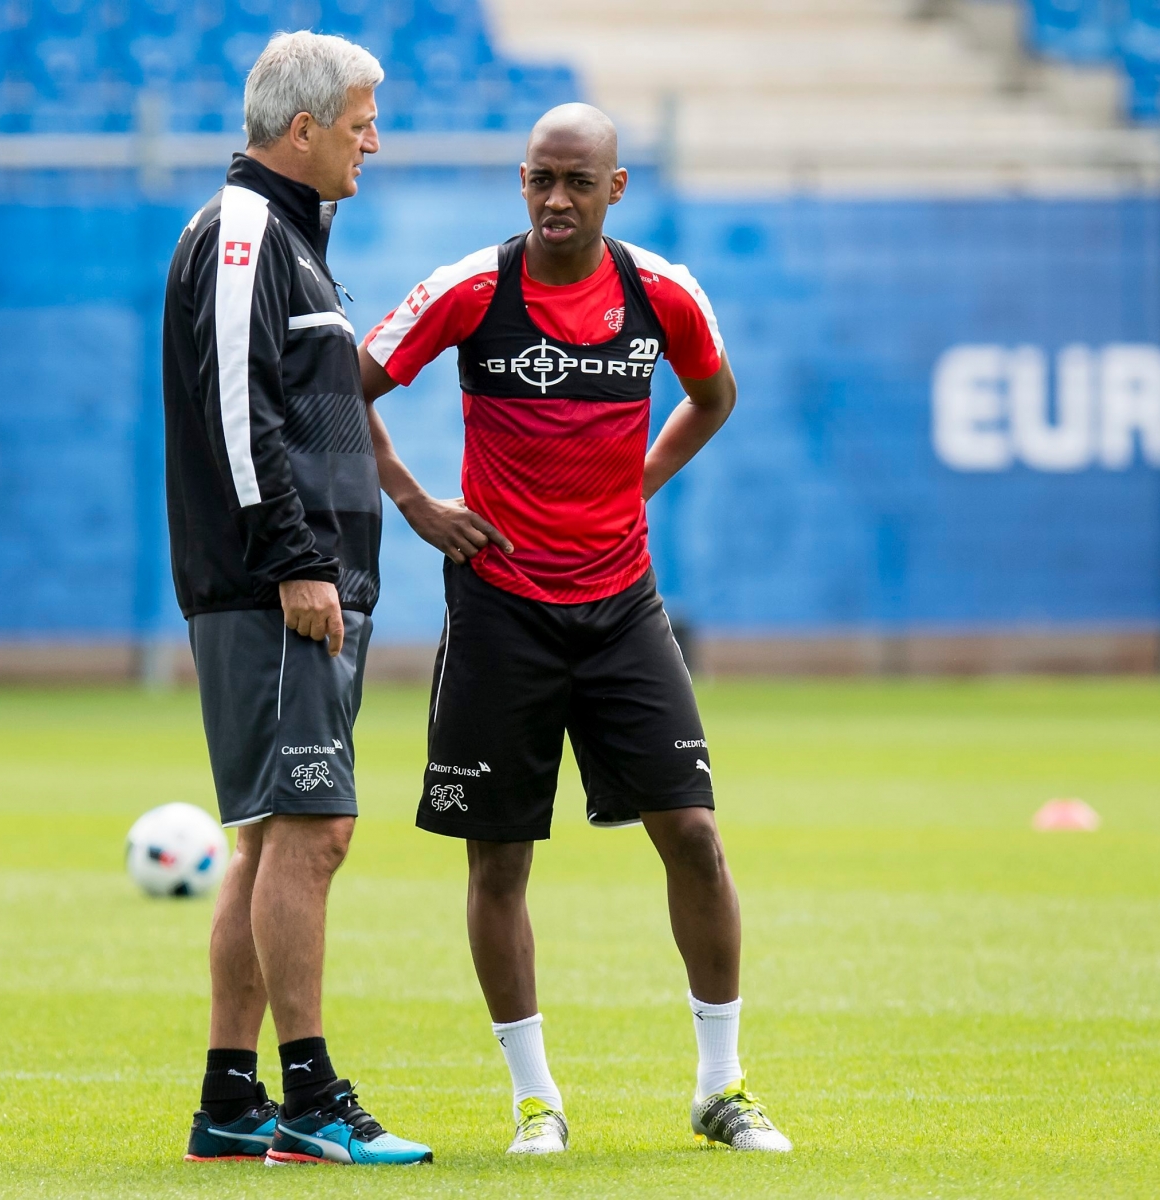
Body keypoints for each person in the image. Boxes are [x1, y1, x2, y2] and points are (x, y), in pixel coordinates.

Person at [357, 102, 792, 1155]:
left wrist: (637, 482)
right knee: (498, 860)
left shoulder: (661, 294)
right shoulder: (469, 290)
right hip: (500, 610)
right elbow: (340, 388)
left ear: (615, 188)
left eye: (577, 182)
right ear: (520, 181)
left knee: (691, 834)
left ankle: (721, 1088)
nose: (556, 200)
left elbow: (712, 395)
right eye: (539, 180)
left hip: (622, 608)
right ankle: (533, 1099)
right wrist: (415, 504)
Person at [160, 31, 431, 1167]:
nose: (375, 137)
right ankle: (312, 1101)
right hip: (279, 590)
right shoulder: (242, 234)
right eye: (361, 117)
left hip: (301, 583)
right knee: (314, 833)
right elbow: (236, 408)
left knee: (273, 836)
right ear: (303, 125)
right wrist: (295, 562)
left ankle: (231, 1100)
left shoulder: (292, 240)